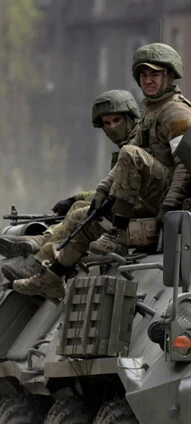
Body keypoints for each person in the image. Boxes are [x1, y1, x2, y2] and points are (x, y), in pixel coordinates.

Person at [13, 43, 191, 299]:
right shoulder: (152, 112)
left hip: (172, 201)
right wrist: (102, 191)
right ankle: (52, 277)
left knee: (129, 155)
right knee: (83, 217)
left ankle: (117, 235)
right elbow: (129, 155)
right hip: (154, 194)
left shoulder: (176, 113)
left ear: (169, 76)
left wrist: (168, 208)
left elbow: (186, 165)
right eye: (144, 75)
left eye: (155, 75)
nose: (148, 80)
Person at [0, 90, 141, 282]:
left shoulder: (136, 149)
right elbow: (112, 190)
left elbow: (128, 192)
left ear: (130, 119)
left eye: (117, 120)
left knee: (80, 214)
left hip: (134, 212)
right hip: (125, 208)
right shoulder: (127, 147)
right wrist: (78, 197)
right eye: (107, 123)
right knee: (77, 207)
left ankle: (43, 259)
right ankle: (44, 241)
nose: (112, 127)